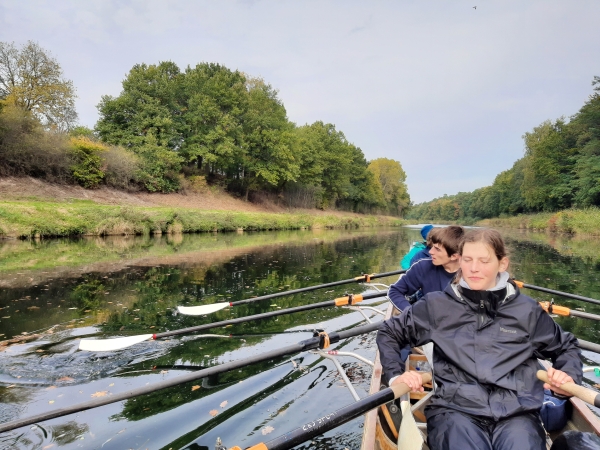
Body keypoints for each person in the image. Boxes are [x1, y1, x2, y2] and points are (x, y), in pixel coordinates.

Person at [377, 229, 582, 450]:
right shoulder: (436, 306)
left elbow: (565, 346)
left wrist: (567, 375)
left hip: (517, 414)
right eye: (468, 260)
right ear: (460, 261)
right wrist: (395, 375)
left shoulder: (527, 311)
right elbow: (389, 333)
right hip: (455, 411)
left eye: (484, 261)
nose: (474, 268)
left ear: (502, 264)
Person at [389, 225, 464, 311]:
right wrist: (412, 314)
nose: (430, 252)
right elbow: (395, 291)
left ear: (454, 256)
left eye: (437, 249)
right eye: (432, 247)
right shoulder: (423, 266)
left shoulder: (471, 274)